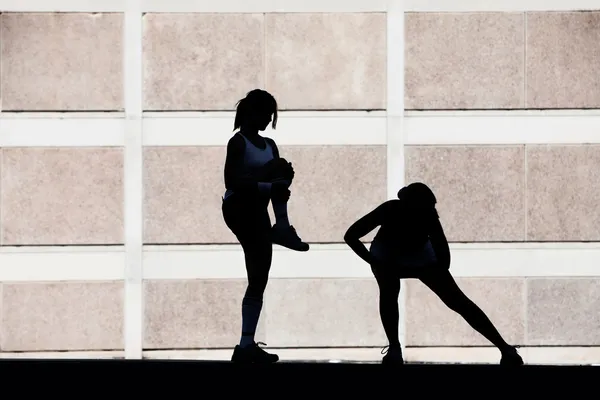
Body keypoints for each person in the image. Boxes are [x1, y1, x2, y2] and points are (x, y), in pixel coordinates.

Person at [343, 182, 524, 366]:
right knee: (389, 293)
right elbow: (350, 235)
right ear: (407, 205)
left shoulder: (428, 217)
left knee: (458, 301)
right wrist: (375, 262)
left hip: (418, 255)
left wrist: (429, 271)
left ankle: (505, 348)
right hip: (388, 254)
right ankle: (394, 348)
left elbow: (444, 261)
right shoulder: (391, 209)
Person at [222, 89, 309, 363]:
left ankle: (246, 343)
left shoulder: (269, 145)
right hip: (239, 206)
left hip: (259, 206)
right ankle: (245, 346)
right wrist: (268, 179)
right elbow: (232, 182)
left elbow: (278, 180)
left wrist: (281, 178)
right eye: (265, 113)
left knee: (259, 276)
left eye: (271, 115)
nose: (268, 119)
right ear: (251, 112)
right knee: (257, 270)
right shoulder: (238, 143)